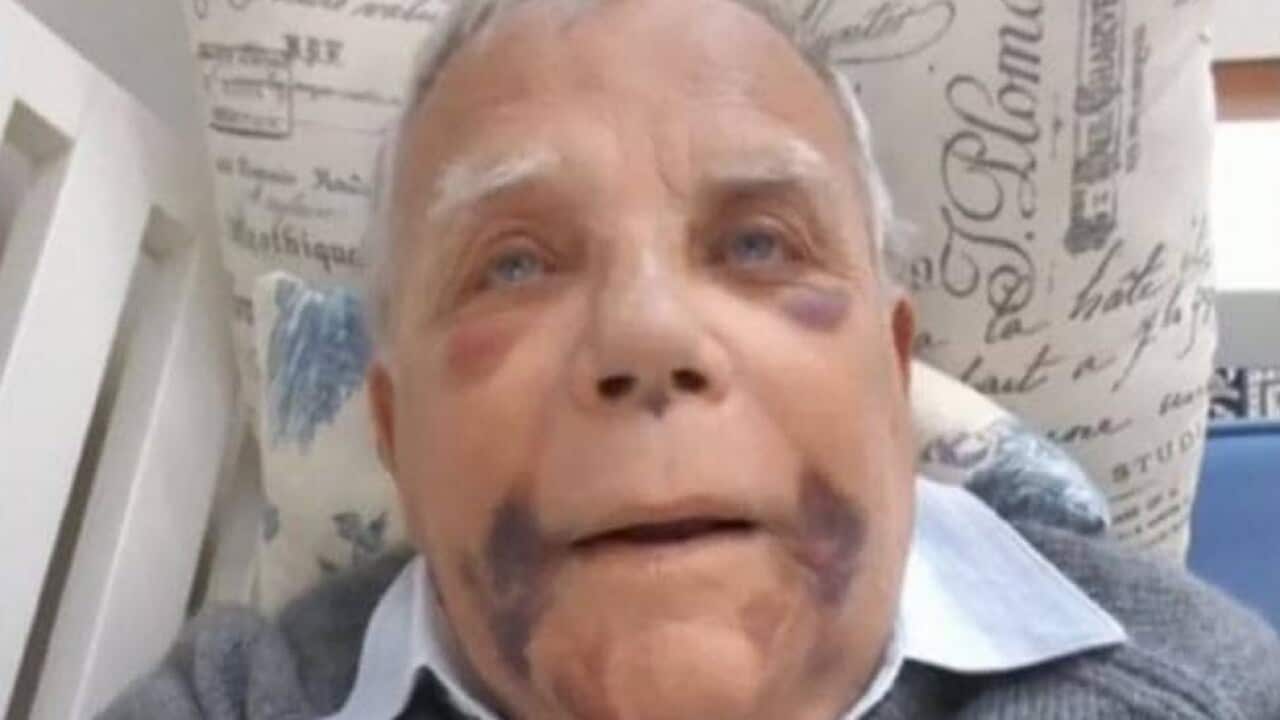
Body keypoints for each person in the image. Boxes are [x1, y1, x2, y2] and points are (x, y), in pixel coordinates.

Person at [103, 0, 1280, 718]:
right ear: (395, 436)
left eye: (758, 244)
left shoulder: (1202, 687)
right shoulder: (240, 700)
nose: (647, 336)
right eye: (513, 265)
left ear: (890, 380)